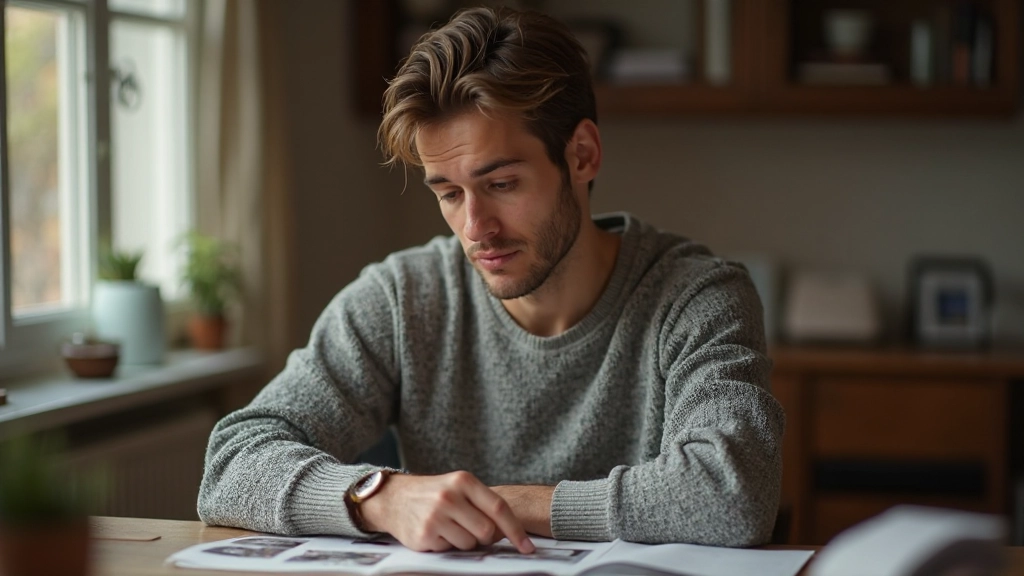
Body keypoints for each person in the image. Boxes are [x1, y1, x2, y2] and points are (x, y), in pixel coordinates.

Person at [198, 5, 784, 553]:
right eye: (449, 194)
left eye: (501, 184)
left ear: (581, 155)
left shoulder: (698, 297)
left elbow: (733, 496)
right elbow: (231, 464)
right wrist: (382, 496)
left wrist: (500, 505)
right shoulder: (404, 299)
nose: (475, 227)